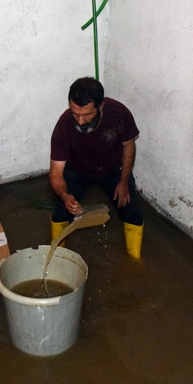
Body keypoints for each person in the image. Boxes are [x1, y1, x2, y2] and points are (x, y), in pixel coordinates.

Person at [49, 77, 144, 258]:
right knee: (61, 212)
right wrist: (64, 195)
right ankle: (57, 258)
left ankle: (134, 260)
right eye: (75, 113)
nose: (81, 121)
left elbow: (128, 146)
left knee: (131, 211)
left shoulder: (119, 113)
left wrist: (123, 181)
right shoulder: (64, 126)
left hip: (112, 170)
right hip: (77, 170)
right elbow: (56, 171)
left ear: (101, 106)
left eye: (87, 115)